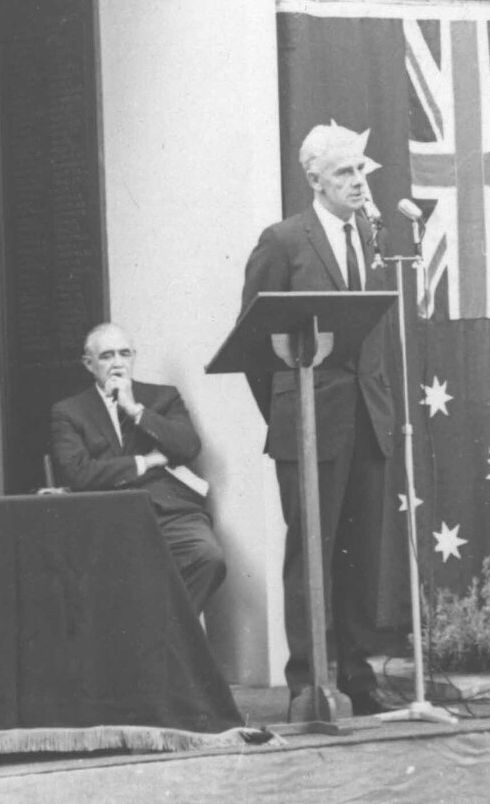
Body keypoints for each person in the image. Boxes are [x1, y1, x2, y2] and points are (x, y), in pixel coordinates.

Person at [240, 124, 394, 716]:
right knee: (313, 553)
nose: (357, 183)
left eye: (361, 171)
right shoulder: (283, 241)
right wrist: (288, 414)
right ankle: (309, 680)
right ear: (313, 180)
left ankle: (357, 676)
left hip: (367, 418)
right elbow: (255, 342)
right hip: (309, 421)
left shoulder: (371, 237)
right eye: (343, 174)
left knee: (359, 551)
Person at [50, 322, 226, 616]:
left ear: (134, 356)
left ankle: (166, 639)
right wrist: (145, 462)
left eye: (124, 354)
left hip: (170, 513)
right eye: (107, 356)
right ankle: (159, 645)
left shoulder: (163, 397)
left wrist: (135, 410)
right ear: (88, 363)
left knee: (208, 558)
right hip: (106, 517)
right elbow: (78, 473)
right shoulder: (69, 411)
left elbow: (189, 446)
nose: (118, 362)